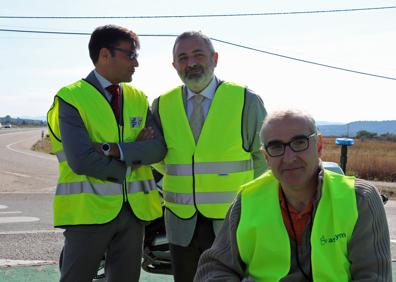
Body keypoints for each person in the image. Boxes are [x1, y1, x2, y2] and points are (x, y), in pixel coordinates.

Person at [194, 109, 392, 282]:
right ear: (266, 157)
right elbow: (213, 269)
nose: (289, 158)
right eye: (276, 147)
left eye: (299, 142)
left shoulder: (359, 199)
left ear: (319, 145)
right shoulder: (247, 199)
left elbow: (374, 277)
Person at [47, 24, 166, 282]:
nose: (136, 63)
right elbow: (81, 160)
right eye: (130, 55)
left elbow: (157, 149)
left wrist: (116, 150)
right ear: (104, 55)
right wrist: (133, 159)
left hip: (134, 214)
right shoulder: (71, 98)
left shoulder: (137, 97)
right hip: (88, 213)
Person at [151, 31, 267, 281]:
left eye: (198, 55)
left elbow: (263, 159)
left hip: (232, 221)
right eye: (182, 58)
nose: (190, 63)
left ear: (215, 58)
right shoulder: (161, 105)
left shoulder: (246, 100)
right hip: (182, 223)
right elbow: (159, 159)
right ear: (174, 65)